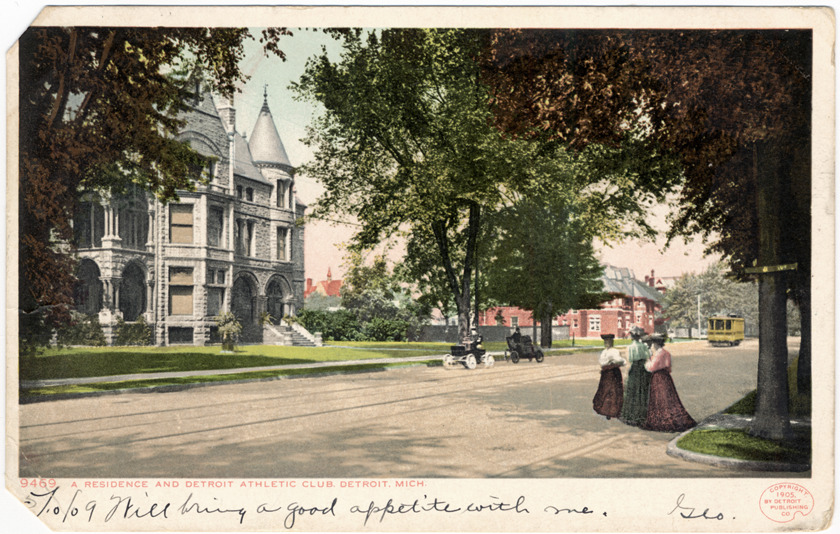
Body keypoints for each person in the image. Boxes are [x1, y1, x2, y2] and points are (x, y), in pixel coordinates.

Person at [642, 335, 697, 432]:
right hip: (666, 377)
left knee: (659, 398)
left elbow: (651, 368)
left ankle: (661, 420)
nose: (652, 346)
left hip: (658, 377)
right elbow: (669, 367)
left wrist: (648, 361)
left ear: (655, 344)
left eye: (653, 344)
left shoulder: (658, 354)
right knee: (668, 398)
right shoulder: (666, 353)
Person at [619, 326, 652, 426]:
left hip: (634, 368)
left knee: (633, 390)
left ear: (632, 337)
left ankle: (632, 414)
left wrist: (626, 373)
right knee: (642, 390)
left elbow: (630, 359)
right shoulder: (644, 346)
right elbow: (648, 357)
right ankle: (642, 414)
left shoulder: (630, 347)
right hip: (642, 368)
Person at [592, 334, 626, 419]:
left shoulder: (615, 351)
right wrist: (609, 360)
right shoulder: (604, 352)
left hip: (614, 372)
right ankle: (605, 409)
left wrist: (614, 361)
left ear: (612, 342)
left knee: (614, 389)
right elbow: (602, 362)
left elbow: (621, 361)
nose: (607, 343)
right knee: (605, 389)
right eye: (605, 342)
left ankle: (614, 410)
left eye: (609, 341)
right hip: (606, 373)